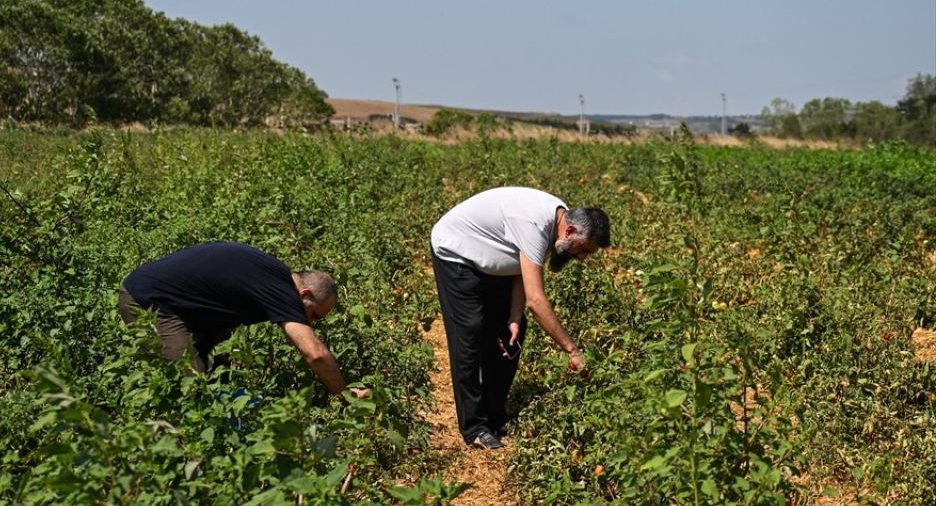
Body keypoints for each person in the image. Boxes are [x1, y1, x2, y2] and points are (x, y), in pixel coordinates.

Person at [430, 187, 610, 449]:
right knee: (469, 333)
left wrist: (514, 315)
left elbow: (520, 263)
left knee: (511, 333)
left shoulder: (560, 222)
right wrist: (572, 350)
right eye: (583, 250)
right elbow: (536, 301)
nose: (582, 258)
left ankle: (495, 414)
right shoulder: (535, 225)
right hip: (457, 253)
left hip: (493, 262)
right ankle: (474, 427)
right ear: (570, 232)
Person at [118, 241, 369, 400]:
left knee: (218, 369)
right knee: (191, 390)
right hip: (149, 301)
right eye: (313, 314)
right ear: (305, 293)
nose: (310, 322)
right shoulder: (283, 290)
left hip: (180, 305)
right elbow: (315, 354)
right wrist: (345, 394)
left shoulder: (276, 277)